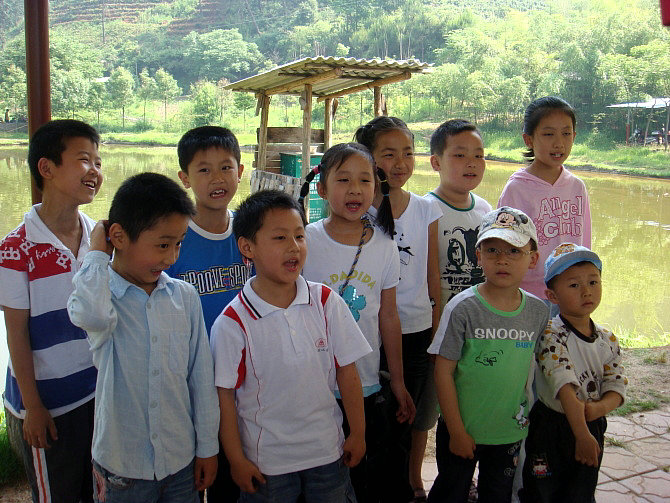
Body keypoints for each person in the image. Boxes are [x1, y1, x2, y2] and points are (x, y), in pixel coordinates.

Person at [210, 190, 371, 503]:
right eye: (280, 237)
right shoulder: (233, 323)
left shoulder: (325, 302)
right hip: (267, 464)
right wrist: (236, 460)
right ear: (247, 247)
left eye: (299, 236)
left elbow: (348, 371)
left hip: (328, 452)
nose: (294, 247)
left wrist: (358, 432)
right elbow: (224, 398)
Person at [67, 173, 219, 503]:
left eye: (178, 243)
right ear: (118, 237)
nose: (171, 257)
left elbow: (200, 378)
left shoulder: (184, 297)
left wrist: (207, 447)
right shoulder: (102, 295)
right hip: (123, 469)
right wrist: (97, 253)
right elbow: (91, 316)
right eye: (163, 245)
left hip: (180, 461)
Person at [300, 143, 415, 503]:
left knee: (361, 474)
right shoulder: (305, 241)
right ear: (322, 189)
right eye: (343, 180)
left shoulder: (384, 245)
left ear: (376, 188)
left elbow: (388, 316)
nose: (355, 190)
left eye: (364, 180)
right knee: (318, 479)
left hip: (364, 382)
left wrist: (397, 381)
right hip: (313, 385)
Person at [0, 119, 102, 503]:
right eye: (84, 159)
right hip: (48, 404)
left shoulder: (101, 238)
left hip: (95, 394)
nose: (95, 171)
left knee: (96, 489)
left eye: (98, 162)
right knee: (56, 493)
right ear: (47, 168)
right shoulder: (16, 248)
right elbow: (16, 332)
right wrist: (33, 407)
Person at [427, 206, 550, 503]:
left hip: (508, 431)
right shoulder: (462, 308)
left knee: (497, 494)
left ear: (533, 259)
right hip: (461, 429)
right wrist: (456, 430)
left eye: (514, 251)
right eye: (492, 250)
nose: (502, 259)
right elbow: (443, 371)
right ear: (478, 256)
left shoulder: (538, 312)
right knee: (450, 492)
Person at [355, 117, 441, 503]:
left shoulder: (425, 208)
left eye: (408, 153)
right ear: (369, 158)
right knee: (370, 418)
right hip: (370, 333)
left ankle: (401, 489)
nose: (401, 163)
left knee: (406, 418)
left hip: (417, 331)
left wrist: (436, 331)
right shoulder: (357, 210)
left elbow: (432, 276)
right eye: (389, 154)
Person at [167, 126, 252, 502]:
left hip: (244, 381)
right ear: (184, 178)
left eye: (226, 167)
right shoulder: (173, 239)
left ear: (241, 171)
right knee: (194, 474)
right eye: (204, 170)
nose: (217, 178)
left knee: (234, 479)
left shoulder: (251, 233)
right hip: (193, 382)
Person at [416, 119, 492, 502]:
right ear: (436, 162)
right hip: (438, 330)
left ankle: (465, 479)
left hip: (477, 332)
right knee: (426, 413)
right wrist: (432, 329)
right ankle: (414, 481)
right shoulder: (425, 209)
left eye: (478, 155)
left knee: (471, 405)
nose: (471, 163)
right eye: (459, 155)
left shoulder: (487, 210)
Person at [521, 243, 626, 503]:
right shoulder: (551, 334)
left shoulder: (608, 339)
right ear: (552, 296)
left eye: (593, 282)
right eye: (574, 285)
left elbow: (616, 385)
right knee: (541, 490)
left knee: (581, 489)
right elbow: (564, 386)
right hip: (551, 426)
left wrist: (598, 409)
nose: (586, 291)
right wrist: (581, 434)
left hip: (592, 424)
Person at [498, 96, 591, 304]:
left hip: (570, 293)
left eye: (566, 133)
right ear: (529, 140)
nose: (559, 143)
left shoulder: (577, 187)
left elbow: (584, 242)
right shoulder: (517, 189)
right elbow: (504, 245)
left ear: (574, 136)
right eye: (549, 134)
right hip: (528, 295)